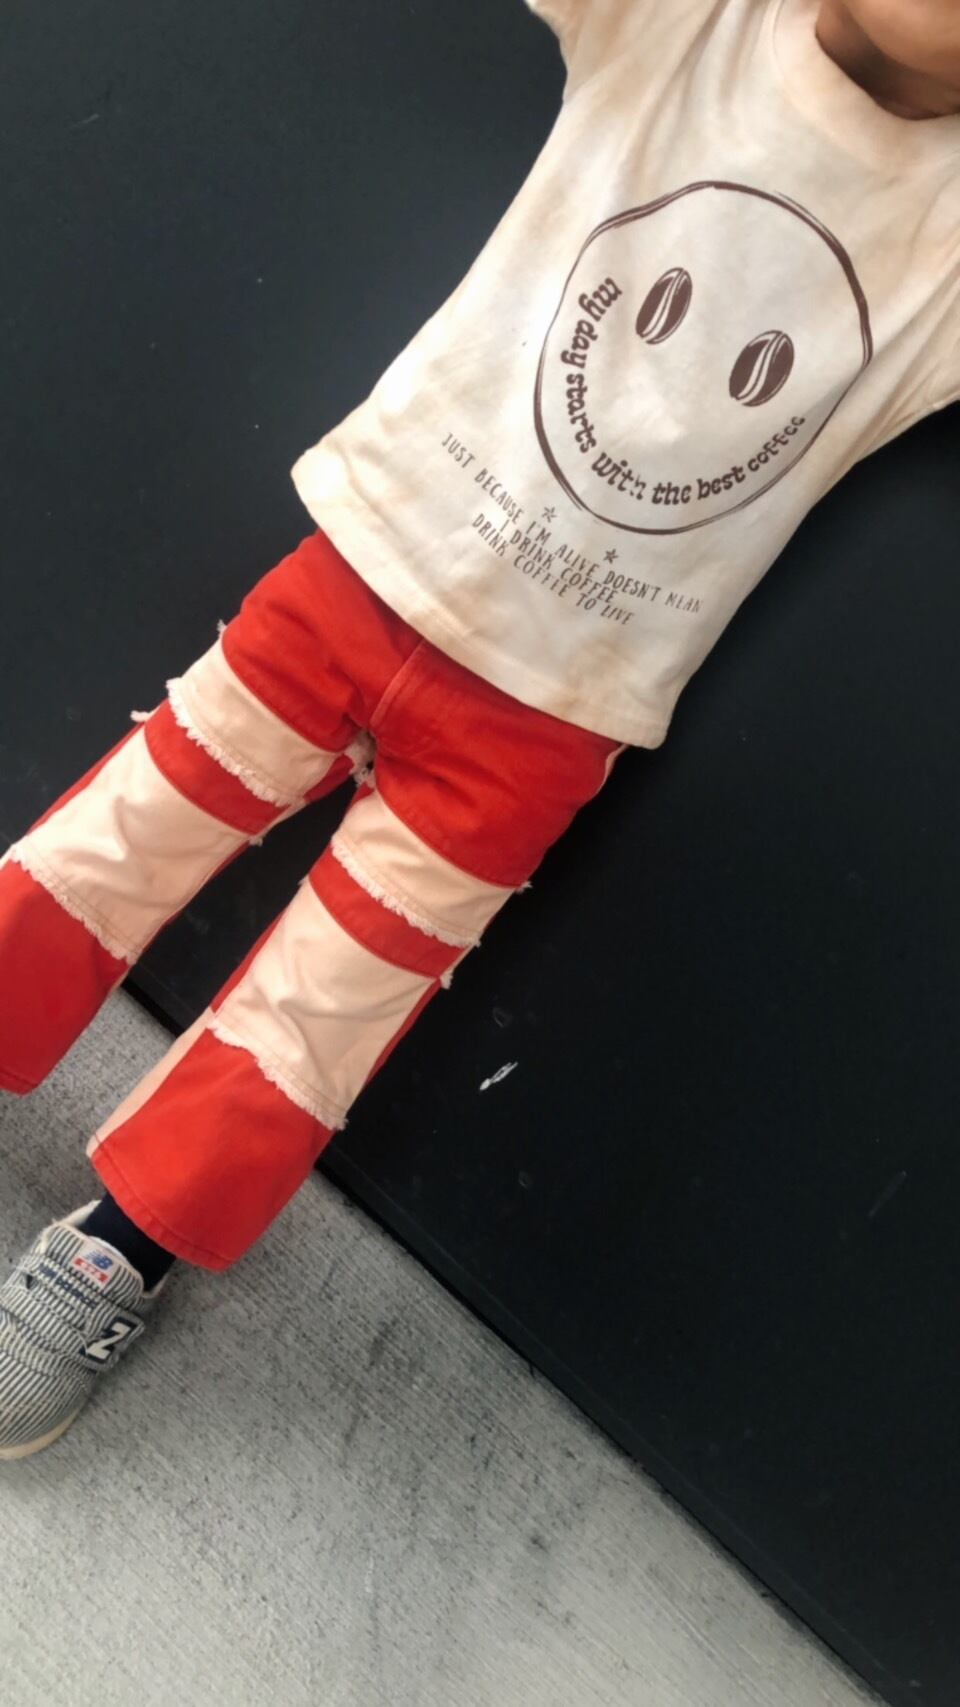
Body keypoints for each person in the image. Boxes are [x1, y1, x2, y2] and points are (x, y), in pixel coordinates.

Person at [0, 0, 957, 1460]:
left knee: (325, 1011)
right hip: (364, 571)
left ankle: (124, 1245)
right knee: (123, 830)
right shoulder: (690, 28)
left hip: (555, 713)